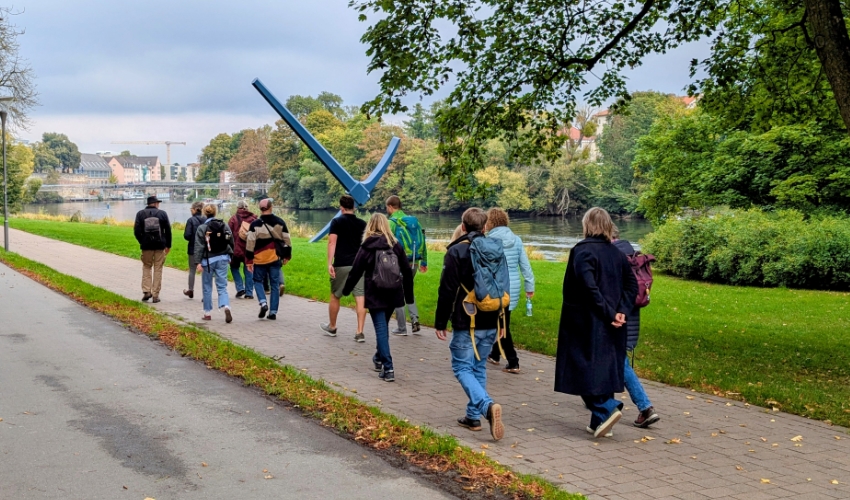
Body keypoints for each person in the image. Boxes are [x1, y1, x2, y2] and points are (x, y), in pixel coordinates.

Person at [554, 208, 638, 439]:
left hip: (586, 322)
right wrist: (621, 311)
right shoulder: (618, 254)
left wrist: (612, 313)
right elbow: (633, 286)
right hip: (613, 323)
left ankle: (606, 409)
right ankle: (599, 422)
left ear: (587, 225)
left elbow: (588, 288)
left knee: (579, 369)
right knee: (604, 369)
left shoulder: (582, 252)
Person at [435, 208, 505, 441]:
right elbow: (503, 284)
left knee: (462, 368)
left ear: (463, 227)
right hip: (491, 316)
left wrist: (440, 321)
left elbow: (447, 290)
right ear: (485, 227)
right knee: (479, 367)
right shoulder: (495, 249)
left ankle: (486, 407)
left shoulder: (457, 251)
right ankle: (472, 416)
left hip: (467, 317)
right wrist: (503, 319)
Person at [342, 213, 414, 383]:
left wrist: (346, 290)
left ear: (370, 226)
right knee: (383, 328)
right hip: (393, 292)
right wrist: (409, 297)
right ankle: (378, 358)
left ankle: (388, 367)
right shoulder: (395, 245)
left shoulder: (367, 246)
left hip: (375, 293)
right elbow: (406, 270)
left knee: (381, 329)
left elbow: (356, 271)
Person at [612, 227, 660, 428]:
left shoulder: (614, 256)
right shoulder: (632, 254)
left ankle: (644, 406)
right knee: (614, 360)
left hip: (618, 316)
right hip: (632, 315)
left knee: (619, 362)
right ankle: (607, 403)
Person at [485, 208, 535, 374]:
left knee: (502, 324)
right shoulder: (516, 240)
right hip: (512, 286)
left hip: (496, 286)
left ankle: (513, 361)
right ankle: (495, 354)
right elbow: (525, 265)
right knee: (503, 320)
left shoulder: (489, 240)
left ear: (490, 222)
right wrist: (530, 286)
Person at [320, 195, 368, 342]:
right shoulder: (363, 223)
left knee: (335, 295)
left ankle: (333, 327)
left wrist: (330, 263)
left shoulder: (337, 222)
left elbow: (332, 243)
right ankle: (359, 332)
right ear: (353, 207)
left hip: (342, 263)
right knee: (360, 297)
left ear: (341, 208)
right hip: (359, 264)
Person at [386, 195, 427, 335]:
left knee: (397, 293)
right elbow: (423, 240)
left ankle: (401, 327)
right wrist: (424, 261)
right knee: (408, 289)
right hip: (414, 262)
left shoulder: (392, 222)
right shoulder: (414, 221)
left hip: (399, 263)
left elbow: (385, 243)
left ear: (391, 207)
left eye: (387, 207)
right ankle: (415, 320)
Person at [246, 198, 291, 321]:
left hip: (259, 259)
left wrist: (249, 260)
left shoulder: (254, 224)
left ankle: (263, 302)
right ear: (271, 207)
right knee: (275, 284)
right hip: (274, 257)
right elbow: (287, 239)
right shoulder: (280, 222)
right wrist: (287, 255)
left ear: (260, 209)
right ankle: (273, 312)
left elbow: (250, 243)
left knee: (257, 281)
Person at [193, 204, 234, 323]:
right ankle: (226, 306)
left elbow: (199, 246)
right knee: (222, 285)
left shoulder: (202, 228)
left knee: (207, 287)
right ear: (215, 212)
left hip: (208, 261)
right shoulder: (224, 225)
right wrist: (230, 255)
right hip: (222, 258)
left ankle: (207, 312)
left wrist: (198, 262)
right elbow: (231, 240)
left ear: (205, 213)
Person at [133, 195, 171, 303]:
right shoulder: (162, 214)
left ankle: (146, 291)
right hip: (160, 245)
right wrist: (168, 245)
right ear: (155, 204)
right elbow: (168, 230)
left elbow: (136, 231)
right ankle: (155, 295)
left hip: (146, 246)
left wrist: (142, 241)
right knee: (158, 268)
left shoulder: (140, 214)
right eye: (158, 203)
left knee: (146, 266)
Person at [228, 200, 257, 300]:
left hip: (236, 249)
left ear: (237, 208)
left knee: (234, 267)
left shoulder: (233, 219)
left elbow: (228, 234)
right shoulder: (254, 219)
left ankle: (240, 288)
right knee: (249, 269)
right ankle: (249, 293)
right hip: (249, 249)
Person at [182, 202, 206, 299]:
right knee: (205, 270)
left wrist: (192, 238)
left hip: (193, 248)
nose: (191, 210)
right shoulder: (206, 220)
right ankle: (206, 292)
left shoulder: (191, 220)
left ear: (196, 209)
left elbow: (187, 235)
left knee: (192, 270)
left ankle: (190, 290)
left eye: (191, 209)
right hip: (204, 249)